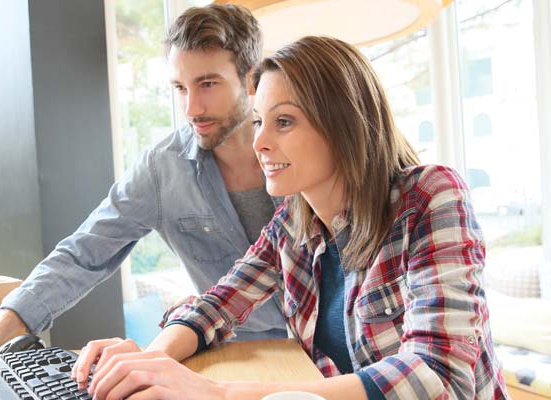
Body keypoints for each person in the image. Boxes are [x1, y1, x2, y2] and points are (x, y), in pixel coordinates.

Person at [73, 36, 510, 400]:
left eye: (283, 122)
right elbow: (219, 304)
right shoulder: (293, 223)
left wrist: (218, 393)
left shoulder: (430, 196)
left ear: (344, 125)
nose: (258, 141)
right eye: (259, 120)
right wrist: (151, 363)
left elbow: (440, 374)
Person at [0, 4, 290, 381]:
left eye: (207, 84)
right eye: (179, 87)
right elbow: (81, 255)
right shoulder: (162, 169)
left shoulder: (305, 153)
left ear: (252, 79)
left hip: (327, 357)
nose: (191, 108)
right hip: (228, 361)